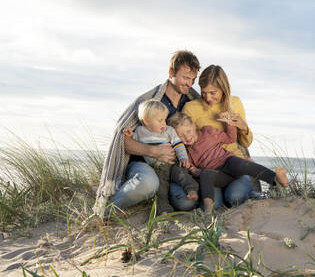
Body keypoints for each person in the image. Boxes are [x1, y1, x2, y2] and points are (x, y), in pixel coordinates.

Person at [93, 50, 201, 217]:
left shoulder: (191, 102)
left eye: (192, 80)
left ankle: (160, 201)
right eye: (185, 78)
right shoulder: (150, 102)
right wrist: (153, 152)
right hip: (143, 163)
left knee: (186, 202)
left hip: (171, 168)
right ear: (171, 72)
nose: (189, 84)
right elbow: (121, 140)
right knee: (149, 183)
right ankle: (105, 212)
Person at [168, 112, 288, 214]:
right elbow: (197, 173)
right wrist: (194, 170)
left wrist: (229, 124)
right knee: (206, 174)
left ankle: (275, 179)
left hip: (228, 163)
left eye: (189, 131)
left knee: (240, 163)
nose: (187, 137)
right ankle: (208, 212)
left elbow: (230, 138)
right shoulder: (185, 152)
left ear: (193, 126)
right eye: (181, 136)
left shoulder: (207, 131)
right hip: (219, 176)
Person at [181, 65, 257, 208]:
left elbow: (246, 143)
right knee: (214, 205)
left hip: (233, 163)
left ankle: (248, 186)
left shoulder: (235, 103)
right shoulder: (191, 108)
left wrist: (243, 127)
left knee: (234, 197)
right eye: (204, 92)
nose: (208, 97)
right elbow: (186, 142)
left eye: (213, 92)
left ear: (223, 88)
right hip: (209, 170)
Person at [123, 100, 198, 215]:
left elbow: (179, 145)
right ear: (146, 121)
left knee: (182, 175)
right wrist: (129, 135)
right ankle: (163, 210)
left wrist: (183, 158)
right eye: (160, 120)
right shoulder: (140, 131)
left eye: (164, 119)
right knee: (161, 189)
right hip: (157, 168)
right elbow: (133, 142)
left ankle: (191, 190)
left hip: (173, 163)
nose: (164, 123)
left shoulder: (169, 130)